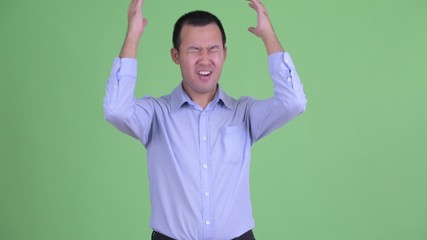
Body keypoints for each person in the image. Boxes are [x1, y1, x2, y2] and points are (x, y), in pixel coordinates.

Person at [103, 0, 307, 239]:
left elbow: (293, 102)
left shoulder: (244, 113)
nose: (205, 58)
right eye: (194, 50)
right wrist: (133, 36)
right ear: (176, 55)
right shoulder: (155, 115)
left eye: (213, 49)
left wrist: (268, 36)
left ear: (225, 54)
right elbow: (115, 109)